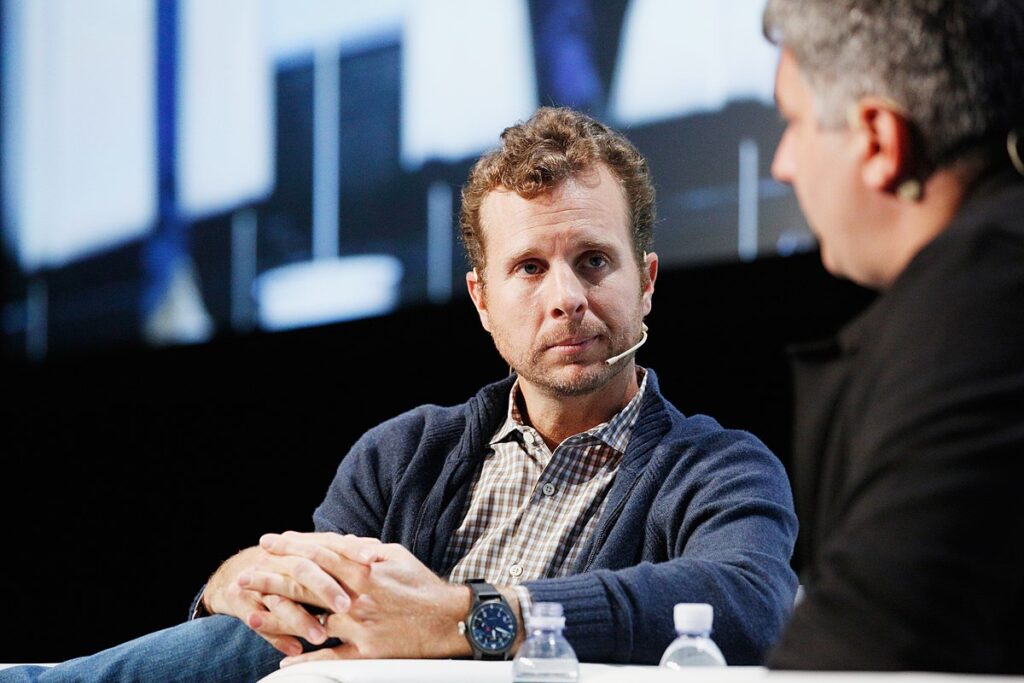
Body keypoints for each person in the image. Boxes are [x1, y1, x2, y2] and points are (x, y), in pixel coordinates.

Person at [0, 107, 797, 682]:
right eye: (529, 267)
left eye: (594, 260)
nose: (566, 297)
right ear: (482, 300)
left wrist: (469, 617)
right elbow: (284, 642)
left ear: (646, 281)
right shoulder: (404, 452)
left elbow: (751, 603)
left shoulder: (720, 467)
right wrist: (231, 591)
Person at [761, 0, 1024, 673]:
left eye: (792, 123)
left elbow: (865, 646)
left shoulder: (977, 314)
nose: (782, 165)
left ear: (878, 139)